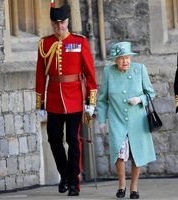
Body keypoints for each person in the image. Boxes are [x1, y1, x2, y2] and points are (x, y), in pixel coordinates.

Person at [35, 4, 97, 196]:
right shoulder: (45, 44)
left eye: (62, 23)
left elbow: (90, 73)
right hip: (54, 99)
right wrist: (40, 103)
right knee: (53, 139)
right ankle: (65, 174)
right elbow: (40, 75)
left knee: (72, 139)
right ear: (52, 24)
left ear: (68, 22)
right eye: (56, 23)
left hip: (74, 99)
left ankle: (74, 183)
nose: (59, 27)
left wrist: (91, 101)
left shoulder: (79, 42)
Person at [97, 41, 156, 199]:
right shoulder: (108, 72)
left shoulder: (140, 69)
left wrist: (140, 99)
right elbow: (102, 100)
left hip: (137, 121)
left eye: (128, 57)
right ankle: (121, 184)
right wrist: (102, 120)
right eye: (121, 58)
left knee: (137, 154)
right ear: (115, 60)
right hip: (117, 120)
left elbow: (151, 93)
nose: (125, 61)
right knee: (119, 154)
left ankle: (134, 187)